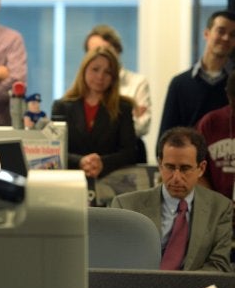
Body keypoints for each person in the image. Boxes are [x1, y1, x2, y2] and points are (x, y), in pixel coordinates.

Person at [110, 127, 233, 272]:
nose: (176, 178)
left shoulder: (220, 208)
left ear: (201, 168)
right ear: (160, 164)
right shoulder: (126, 206)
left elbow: (219, 265)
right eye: (169, 167)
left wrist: (177, 287)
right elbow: (116, 262)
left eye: (185, 168)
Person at [51, 46, 136, 180]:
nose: (100, 76)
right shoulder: (62, 106)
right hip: (70, 181)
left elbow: (130, 152)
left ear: (114, 77)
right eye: (95, 69)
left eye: (107, 72)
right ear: (84, 70)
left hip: (110, 181)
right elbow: (53, 149)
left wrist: (102, 163)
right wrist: (80, 161)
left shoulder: (123, 108)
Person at [159, 10, 235, 139]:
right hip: (188, 158)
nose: (226, 38)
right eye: (221, 31)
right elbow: (165, 138)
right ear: (206, 33)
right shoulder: (179, 84)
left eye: (233, 35)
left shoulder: (234, 83)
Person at [84, 24, 151, 163]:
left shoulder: (137, 83)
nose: (101, 56)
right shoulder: (84, 88)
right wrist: (125, 121)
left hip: (127, 158)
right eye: (94, 52)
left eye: (106, 50)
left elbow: (142, 126)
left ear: (117, 50)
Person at [196, 70, 235, 205]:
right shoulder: (210, 123)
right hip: (217, 209)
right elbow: (196, 172)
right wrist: (218, 205)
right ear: (228, 96)